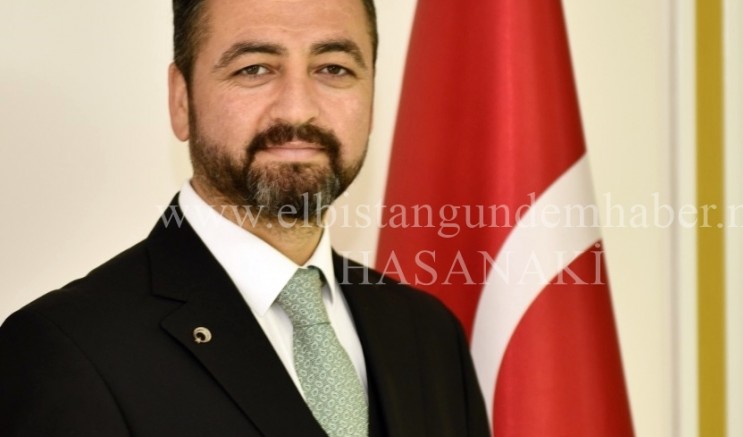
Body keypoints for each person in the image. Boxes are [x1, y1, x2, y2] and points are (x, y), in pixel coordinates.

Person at [0, 0, 491, 436]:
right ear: (181, 100)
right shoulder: (68, 349)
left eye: (334, 68)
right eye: (254, 68)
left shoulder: (430, 335)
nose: (298, 109)